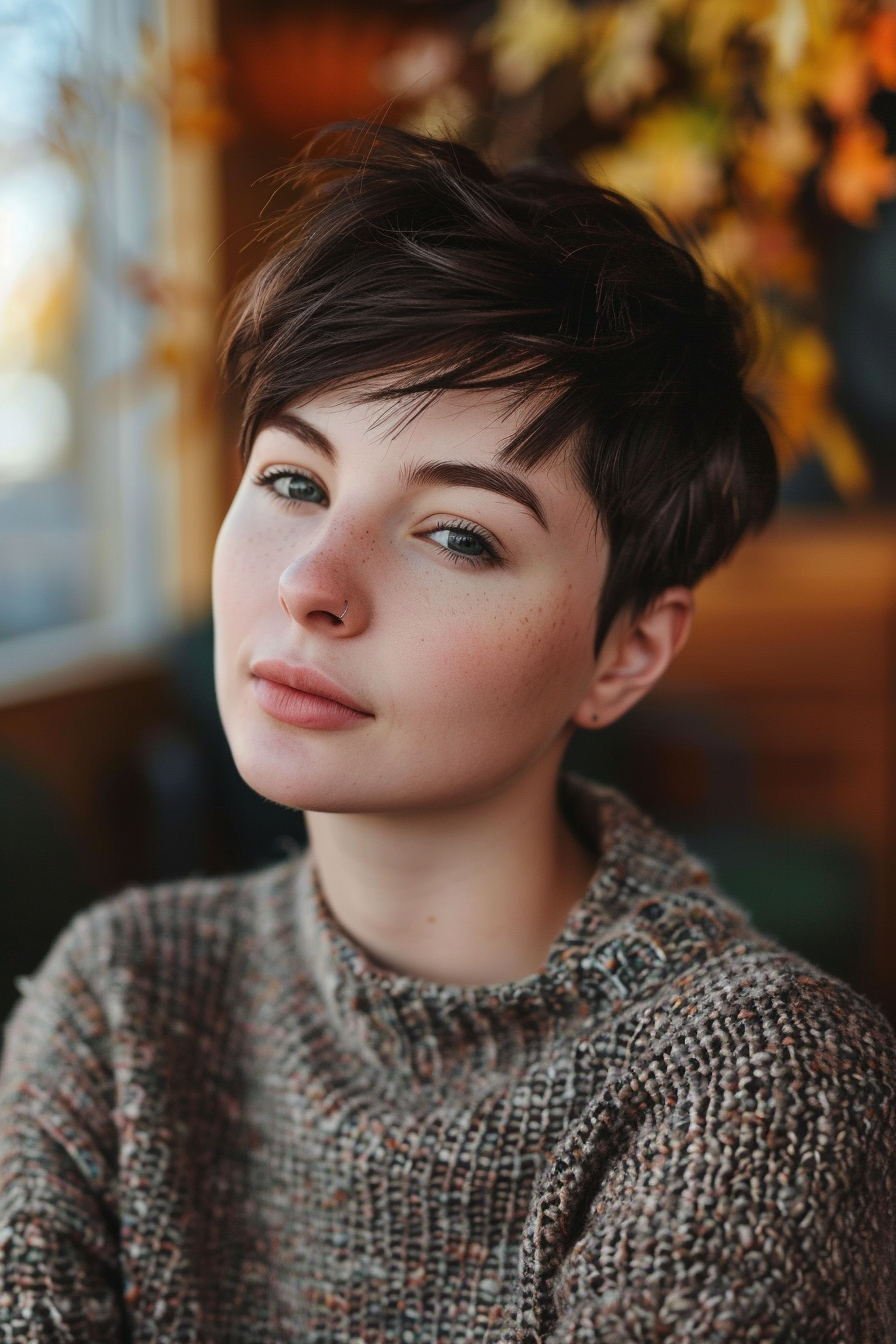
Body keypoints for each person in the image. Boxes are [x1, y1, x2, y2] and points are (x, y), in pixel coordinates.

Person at [1, 124, 894, 1344]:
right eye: (294, 483)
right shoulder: (118, 1000)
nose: (313, 581)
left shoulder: (759, 1081)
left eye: (457, 535)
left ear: (626, 649)